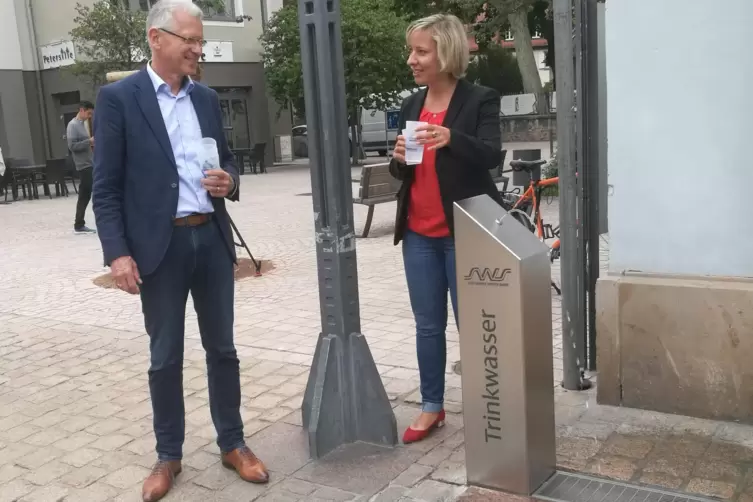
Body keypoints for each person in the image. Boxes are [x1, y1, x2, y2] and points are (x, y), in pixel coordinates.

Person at [92, 1, 268, 501]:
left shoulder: (207, 99)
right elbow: (105, 187)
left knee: (223, 350)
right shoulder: (119, 99)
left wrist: (228, 180)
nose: (198, 48)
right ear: (156, 38)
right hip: (159, 247)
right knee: (164, 357)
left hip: (209, 240)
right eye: (189, 39)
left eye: (200, 40)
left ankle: (233, 444)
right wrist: (117, 254)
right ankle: (168, 456)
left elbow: (228, 161)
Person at [389, 14, 502, 444]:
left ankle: (485, 407)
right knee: (427, 326)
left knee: (472, 324)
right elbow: (405, 171)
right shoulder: (410, 105)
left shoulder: (480, 99)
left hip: (464, 234)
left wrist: (451, 137)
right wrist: (399, 156)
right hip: (419, 235)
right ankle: (431, 407)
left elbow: (492, 155)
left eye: (421, 51)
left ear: (446, 51)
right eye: (412, 50)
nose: (412, 59)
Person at [67, 100, 97, 234]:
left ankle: (80, 223)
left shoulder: (81, 124)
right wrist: (89, 141)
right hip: (83, 165)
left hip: (89, 163)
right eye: (89, 113)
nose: (89, 116)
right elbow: (72, 146)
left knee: (86, 194)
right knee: (84, 195)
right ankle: (79, 224)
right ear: (82, 110)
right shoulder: (73, 125)